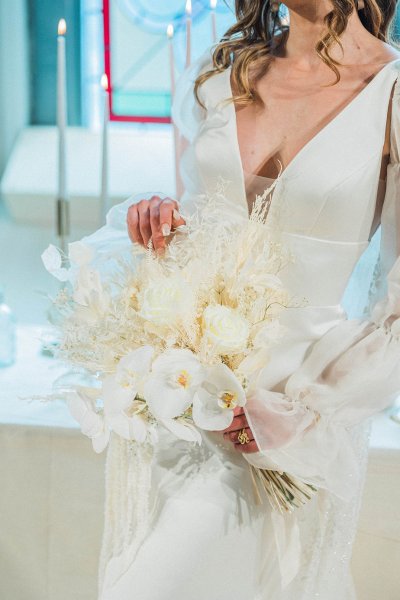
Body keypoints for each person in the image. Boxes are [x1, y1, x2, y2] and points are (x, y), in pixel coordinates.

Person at [95, 1, 400, 598]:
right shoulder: (226, 73)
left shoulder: (390, 93)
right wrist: (161, 223)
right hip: (187, 392)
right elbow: (203, 229)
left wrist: (311, 412)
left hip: (286, 407)